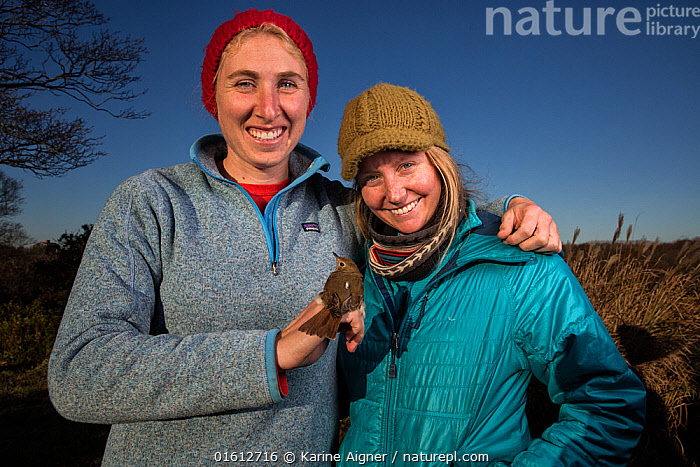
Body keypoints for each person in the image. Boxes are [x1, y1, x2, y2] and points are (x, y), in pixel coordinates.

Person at [47, 9, 562, 466]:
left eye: (287, 84)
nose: (269, 108)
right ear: (213, 97)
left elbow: (418, 202)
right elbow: (78, 374)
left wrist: (511, 209)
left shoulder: (340, 208)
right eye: (245, 83)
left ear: (309, 98)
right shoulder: (151, 202)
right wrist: (270, 354)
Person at [336, 83, 646, 466]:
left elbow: (607, 405)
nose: (394, 193)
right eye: (371, 177)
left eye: (406, 164)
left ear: (439, 163)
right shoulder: (359, 274)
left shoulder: (521, 265)